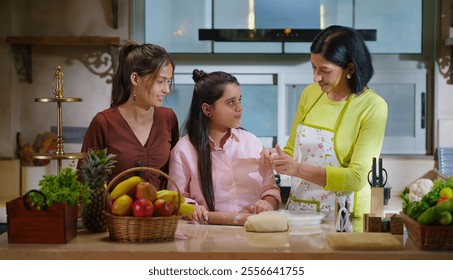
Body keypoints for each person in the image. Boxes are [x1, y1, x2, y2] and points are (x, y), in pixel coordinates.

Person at [261, 25, 388, 230]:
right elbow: (292, 151)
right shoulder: (310, 94)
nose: (316, 77)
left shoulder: (373, 106)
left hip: (346, 220)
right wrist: (276, 158)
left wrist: (298, 169)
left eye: (324, 71)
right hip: (300, 214)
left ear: (350, 68)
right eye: (313, 67)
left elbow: (356, 179)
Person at [168, 69, 281, 223]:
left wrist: (267, 203)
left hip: (252, 237)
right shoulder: (183, 150)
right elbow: (175, 199)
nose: (239, 108)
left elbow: (270, 189)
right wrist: (191, 207)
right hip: (205, 239)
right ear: (207, 109)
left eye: (239, 100)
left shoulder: (252, 143)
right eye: (231, 102)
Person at [78, 40, 179, 189]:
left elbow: (176, 173)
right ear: (135, 79)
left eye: (168, 82)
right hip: (115, 211)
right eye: (160, 81)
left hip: (163, 211)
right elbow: (84, 182)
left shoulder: (168, 118)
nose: (166, 89)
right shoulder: (103, 122)